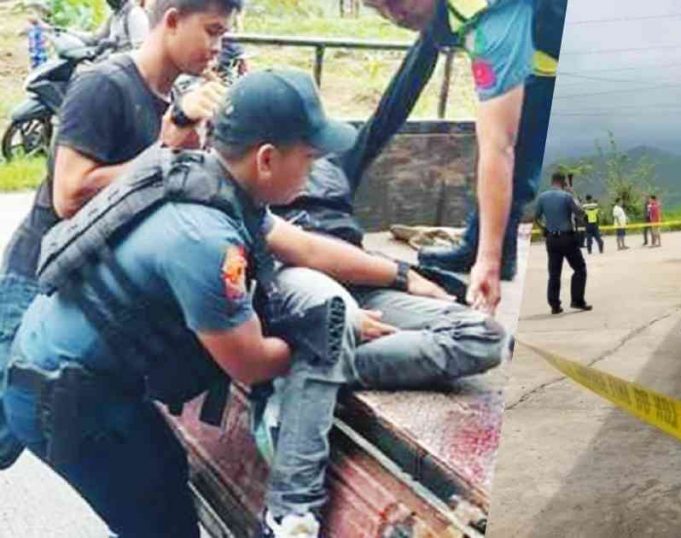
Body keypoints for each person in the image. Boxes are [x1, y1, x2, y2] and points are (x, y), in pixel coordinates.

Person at [4, 70, 506, 538]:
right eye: (309, 159)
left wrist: (401, 274)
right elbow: (249, 362)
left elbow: (303, 246)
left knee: (166, 477)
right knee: (162, 524)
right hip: (67, 401)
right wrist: (326, 335)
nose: (313, 174)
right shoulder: (204, 240)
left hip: (73, 375)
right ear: (266, 158)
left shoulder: (205, 177)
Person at [0, 0, 238, 471]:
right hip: (33, 280)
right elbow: (70, 194)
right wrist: (164, 152)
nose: (216, 47)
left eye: (222, 35)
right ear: (171, 20)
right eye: (211, 31)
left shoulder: (169, 101)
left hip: (79, 288)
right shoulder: (103, 85)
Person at [365, 0, 566, 315]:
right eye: (378, 8)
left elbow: (498, 147)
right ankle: (490, 244)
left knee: (505, 141)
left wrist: (488, 263)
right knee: (522, 139)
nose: (395, 15)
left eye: (394, 1)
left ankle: (491, 251)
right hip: (545, 56)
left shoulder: (488, 24)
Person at [535, 173, 591, 314]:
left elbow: (535, 217)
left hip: (551, 239)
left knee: (554, 273)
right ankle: (577, 301)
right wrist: (573, 193)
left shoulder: (542, 197)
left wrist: (544, 230)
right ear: (563, 182)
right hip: (567, 238)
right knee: (580, 269)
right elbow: (580, 213)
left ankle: (555, 305)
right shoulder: (566, 197)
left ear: (552, 181)